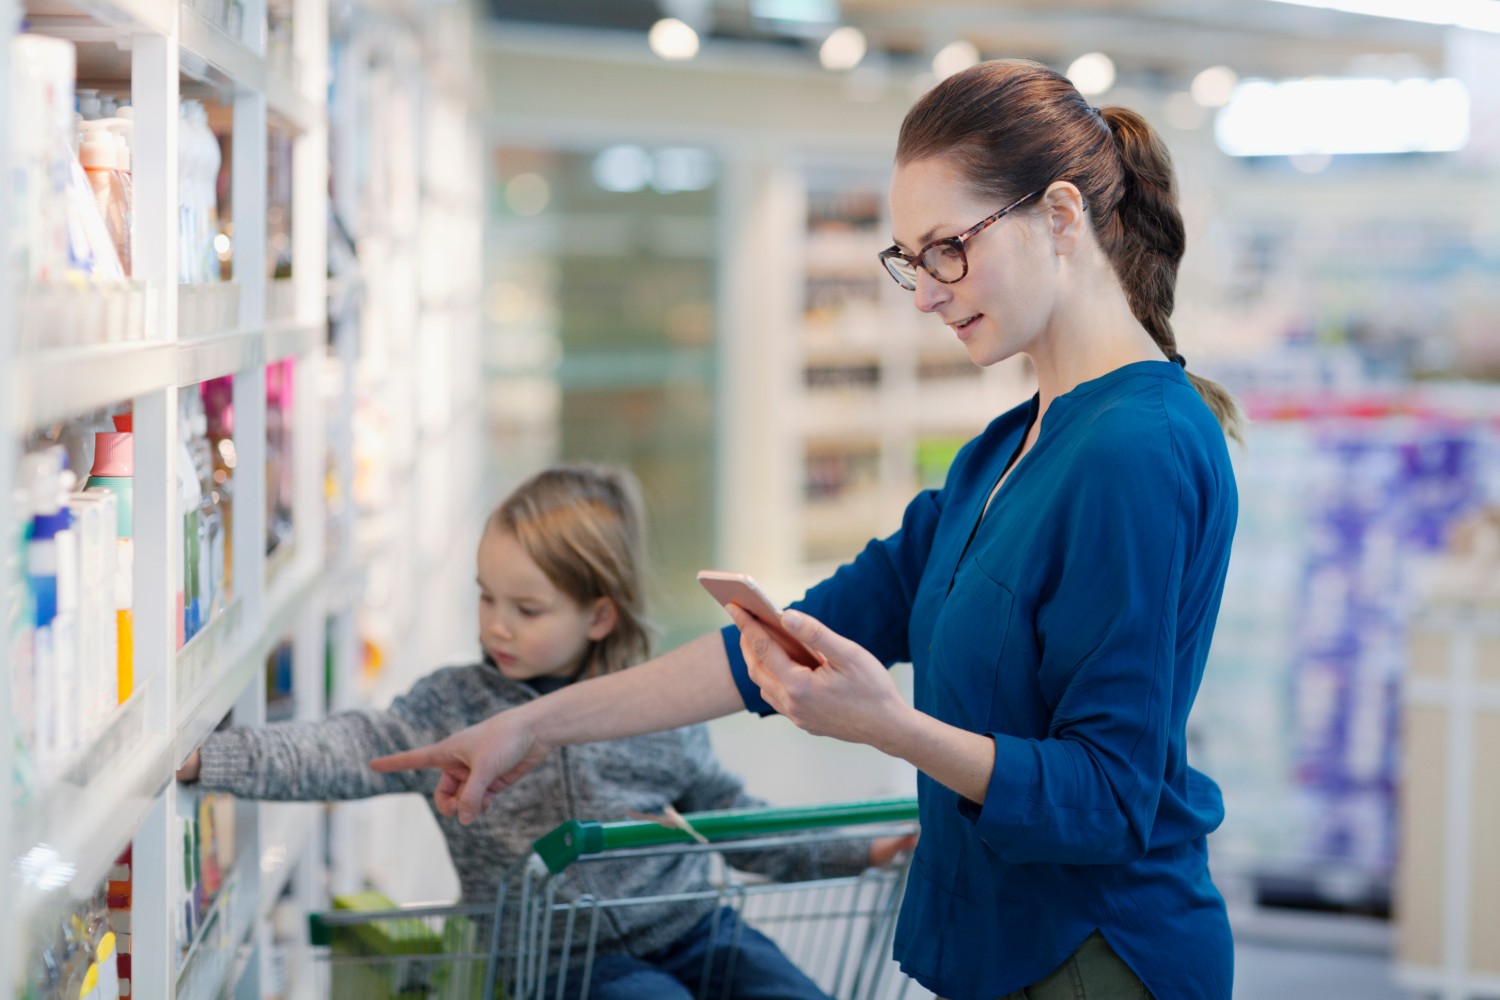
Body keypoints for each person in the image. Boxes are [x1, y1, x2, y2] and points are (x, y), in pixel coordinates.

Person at [374, 59, 1243, 1000]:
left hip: (1098, 954)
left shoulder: (1138, 450)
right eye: (911, 259)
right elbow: (779, 642)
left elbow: (1108, 798)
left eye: (948, 248)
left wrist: (890, 728)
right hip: (1011, 943)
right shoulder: (1007, 449)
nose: (926, 292)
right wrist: (529, 726)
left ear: (1062, 216)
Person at [177, 464, 911, 1000]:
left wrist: (856, 850)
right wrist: (211, 757)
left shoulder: (653, 708)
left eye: (526, 609)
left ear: (599, 616)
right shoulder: (452, 705)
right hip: (559, 965)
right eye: (486, 598)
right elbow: (346, 747)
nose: (497, 624)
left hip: (693, 929)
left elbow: (728, 816)